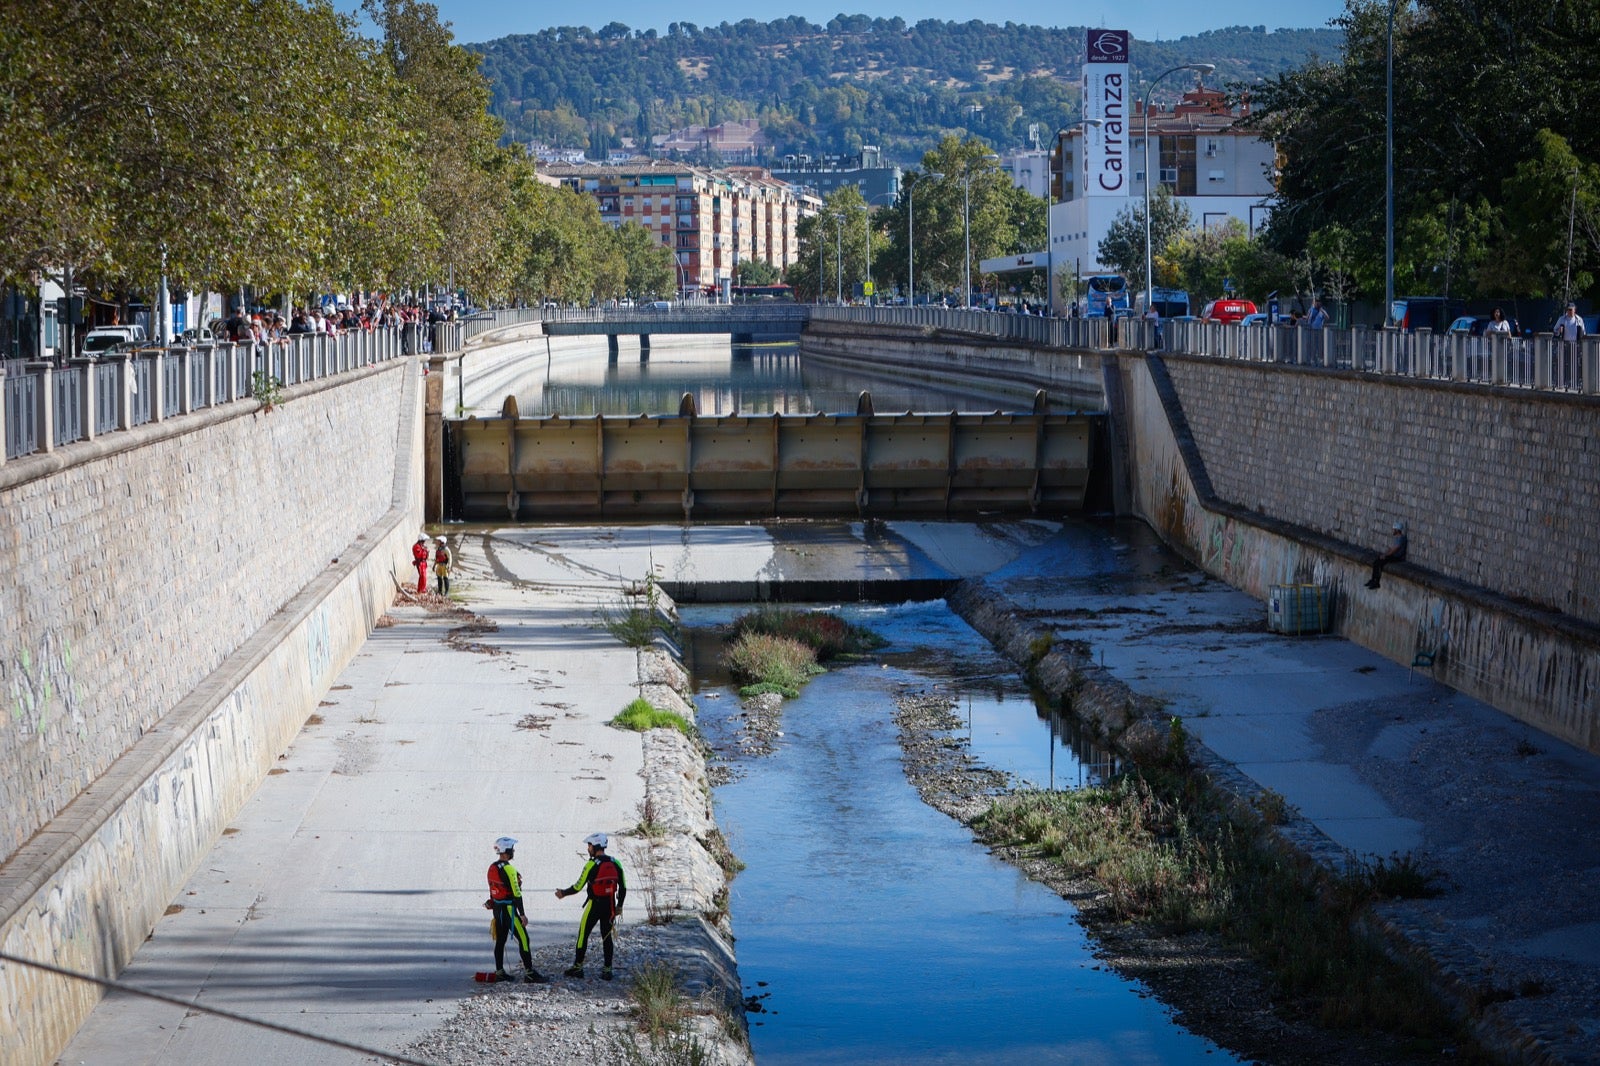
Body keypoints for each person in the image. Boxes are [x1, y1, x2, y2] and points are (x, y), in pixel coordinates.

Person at [554, 832, 626, 980]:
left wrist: (563, 893)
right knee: (607, 936)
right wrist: (620, 906)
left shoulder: (591, 865)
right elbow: (623, 887)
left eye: (589, 845)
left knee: (583, 935)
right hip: (610, 905)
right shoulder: (616, 863)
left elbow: (578, 886)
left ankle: (578, 967)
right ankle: (607, 970)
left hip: (594, 904)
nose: (588, 849)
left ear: (595, 846)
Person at [484, 837, 548, 983]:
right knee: (524, 939)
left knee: (500, 941)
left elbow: (493, 889)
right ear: (506, 850)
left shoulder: (492, 867)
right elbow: (517, 893)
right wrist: (523, 914)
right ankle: (530, 973)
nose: (513, 851)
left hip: (497, 910)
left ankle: (499, 972)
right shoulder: (509, 869)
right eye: (512, 848)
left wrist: (492, 902)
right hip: (509, 911)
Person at [1365, 520, 1407, 589]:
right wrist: (1384, 554)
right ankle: (1373, 580)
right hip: (1394, 556)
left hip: (1397, 557)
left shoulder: (1401, 538)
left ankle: (1376, 582)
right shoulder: (1398, 538)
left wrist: (1386, 555)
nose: (1393, 531)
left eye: (1394, 529)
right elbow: (1392, 548)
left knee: (1379, 563)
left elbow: (1395, 549)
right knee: (1376, 561)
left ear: (1397, 530)